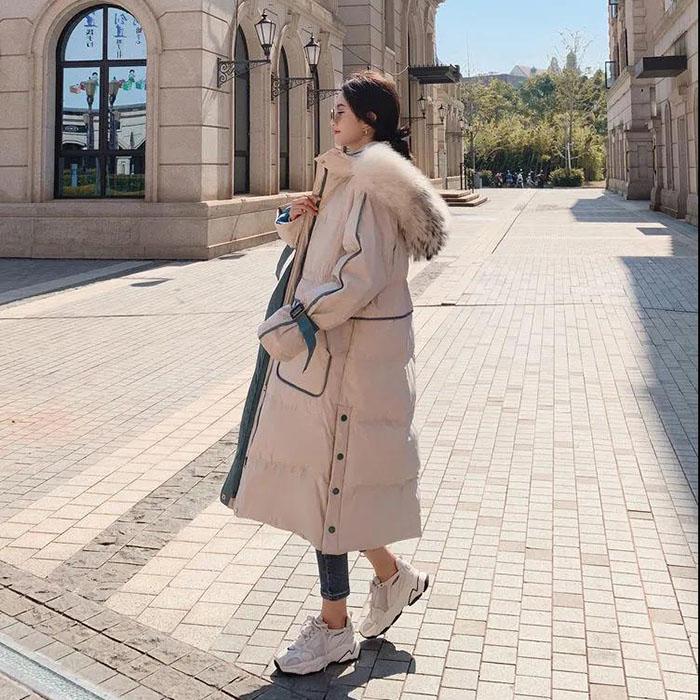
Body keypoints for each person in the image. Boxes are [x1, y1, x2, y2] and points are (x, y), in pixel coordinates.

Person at [220, 70, 450, 676]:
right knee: (331, 487)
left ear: (368, 122)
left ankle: (333, 628)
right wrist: (293, 216)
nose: (332, 118)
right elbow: (317, 248)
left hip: (347, 357)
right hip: (334, 355)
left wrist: (298, 321)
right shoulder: (346, 173)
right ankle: (392, 579)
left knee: (331, 488)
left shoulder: (371, 184)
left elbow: (358, 277)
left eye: (341, 111)